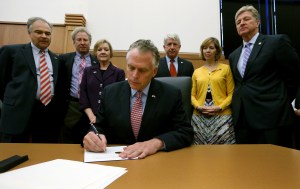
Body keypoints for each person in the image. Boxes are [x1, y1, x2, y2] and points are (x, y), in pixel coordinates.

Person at [83, 39, 194, 159]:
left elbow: (185, 132)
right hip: (119, 160)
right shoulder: (110, 92)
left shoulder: (171, 94)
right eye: (131, 68)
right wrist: (93, 135)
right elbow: (98, 126)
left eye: (142, 70)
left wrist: (157, 143)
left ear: (154, 71)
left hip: (157, 162)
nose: (135, 75)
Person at [228, 5, 300, 147]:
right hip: (242, 120)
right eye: (238, 22)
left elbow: (295, 75)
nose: (242, 23)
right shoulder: (233, 55)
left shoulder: (276, 42)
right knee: (247, 164)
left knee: (275, 165)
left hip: (271, 117)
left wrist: (283, 101)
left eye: (246, 19)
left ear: (257, 22)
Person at [0, 17, 65, 143]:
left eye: (47, 33)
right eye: (39, 32)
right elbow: (2, 81)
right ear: (29, 33)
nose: (44, 36)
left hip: (46, 112)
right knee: (14, 153)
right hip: (18, 111)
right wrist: (12, 100)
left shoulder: (57, 59)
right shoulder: (11, 52)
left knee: (43, 152)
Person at [191, 37, 235, 144]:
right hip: (199, 117)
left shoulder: (226, 69)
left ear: (217, 51)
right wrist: (198, 107)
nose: (207, 51)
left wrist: (220, 107)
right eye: (205, 48)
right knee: (199, 153)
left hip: (223, 117)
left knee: (225, 152)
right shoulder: (197, 72)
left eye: (211, 48)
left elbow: (231, 93)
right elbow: (192, 95)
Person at [59, 27, 99, 143]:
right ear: (74, 42)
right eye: (79, 40)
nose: (82, 42)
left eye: (85, 40)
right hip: (71, 105)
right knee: (68, 137)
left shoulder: (97, 60)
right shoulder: (63, 59)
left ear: (90, 42)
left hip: (92, 107)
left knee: (90, 136)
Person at [79, 39, 125, 124]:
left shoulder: (119, 72)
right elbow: (83, 94)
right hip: (88, 118)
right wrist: (91, 116)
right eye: (99, 50)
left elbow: (120, 98)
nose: (103, 52)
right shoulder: (88, 71)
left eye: (106, 50)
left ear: (110, 53)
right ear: (96, 53)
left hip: (111, 119)